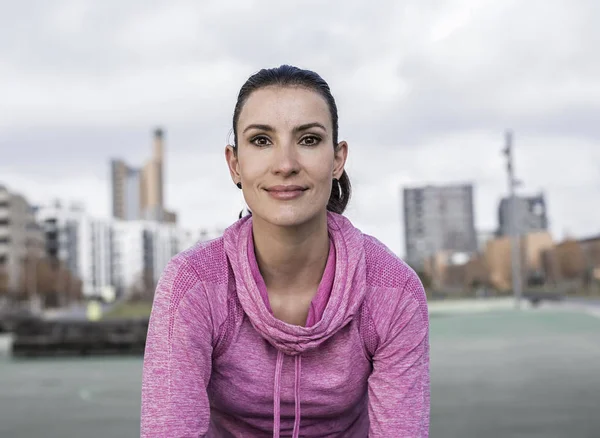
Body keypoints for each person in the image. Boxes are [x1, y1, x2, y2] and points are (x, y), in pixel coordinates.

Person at [141, 65, 430, 437]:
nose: (285, 165)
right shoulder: (193, 284)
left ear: (338, 159)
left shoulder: (393, 291)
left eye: (308, 140)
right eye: (262, 141)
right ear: (235, 164)